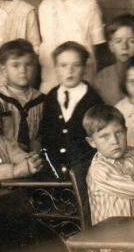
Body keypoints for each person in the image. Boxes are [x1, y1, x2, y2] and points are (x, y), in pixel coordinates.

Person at [37, 0, 105, 93]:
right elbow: (44, 44)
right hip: (52, 76)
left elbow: (98, 46)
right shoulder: (46, 5)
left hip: (82, 76)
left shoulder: (90, 5)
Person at [39, 41, 104, 176]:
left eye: (76, 65)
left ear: (85, 68)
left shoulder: (93, 99)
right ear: (56, 69)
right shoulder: (51, 97)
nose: (70, 71)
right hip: (54, 169)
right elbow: (46, 135)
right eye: (63, 66)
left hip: (86, 170)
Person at [0, 39, 46, 152]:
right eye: (15, 65)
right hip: (5, 157)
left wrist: (38, 142)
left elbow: (46, 131)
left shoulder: (42, 100)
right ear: (4, 69)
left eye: (28, 64)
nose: (23, 70)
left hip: (34, 158)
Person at [94, 14, 134, 105]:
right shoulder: (101, 78)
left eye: (131, 41)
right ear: (111, 46)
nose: (124, 47)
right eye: (118, 41)